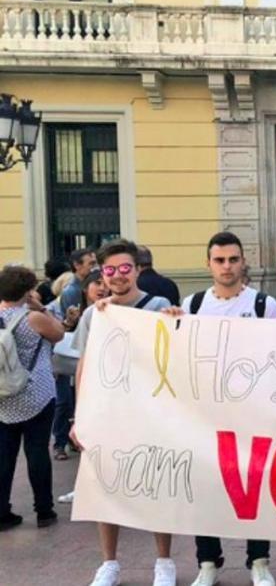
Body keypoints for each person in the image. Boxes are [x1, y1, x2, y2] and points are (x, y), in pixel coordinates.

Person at [71, 239, 176, 586]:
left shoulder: (158, 304)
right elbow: (83, 364)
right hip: (108, 412)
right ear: (103, 273)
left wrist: (176, 320)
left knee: (157, 485)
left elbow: (176, 349)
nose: (118, 276)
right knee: (105, 486)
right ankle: (109, 563)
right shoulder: (94, 313)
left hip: (151, 411)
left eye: (125, 268)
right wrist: (79, 415)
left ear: (137, 270)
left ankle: (164, 561)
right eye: (111, 270)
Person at [182, 233, 276, 586]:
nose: (227, 266)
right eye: (220, 260)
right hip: (205, 416)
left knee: (254, 487)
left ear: (243, 262)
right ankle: (208, 563)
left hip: (252, 414)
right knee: (207, 488)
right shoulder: (192, 305)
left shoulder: (263, 305)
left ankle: (259, 560)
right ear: (208, 263)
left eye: (233, 259)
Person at [0, 265, 65, 533]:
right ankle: (44, 510)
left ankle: (2, 512)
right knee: (37, 451)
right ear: (28, 291)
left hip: (2, 396)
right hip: (35, 393)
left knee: (4, 455)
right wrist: (41, 307)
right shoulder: (32, 318)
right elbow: (59, 334)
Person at [46, 269, 106, 460]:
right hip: (69, 366)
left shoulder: (110, 311)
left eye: (105, 283)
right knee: (64, 403)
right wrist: (69, 321)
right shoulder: (77, 309)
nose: (102, 288)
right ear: (86, 287)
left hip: (95, 371)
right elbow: (57, 334)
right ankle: (60, 443)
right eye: (97, 283)